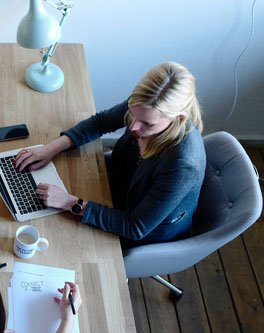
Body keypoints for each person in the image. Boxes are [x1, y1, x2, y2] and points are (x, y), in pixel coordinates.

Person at [14, 62, 205, 248]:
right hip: (118, 185)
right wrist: (51, 148)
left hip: (141, 231)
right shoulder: (145, 104)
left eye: (147, 124)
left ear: (179, 118)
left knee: (63, 243)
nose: (133, 127)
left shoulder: (182, 165)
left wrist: (69, 202)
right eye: (132, 113)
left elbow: (134, 227)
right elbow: (101, 122)